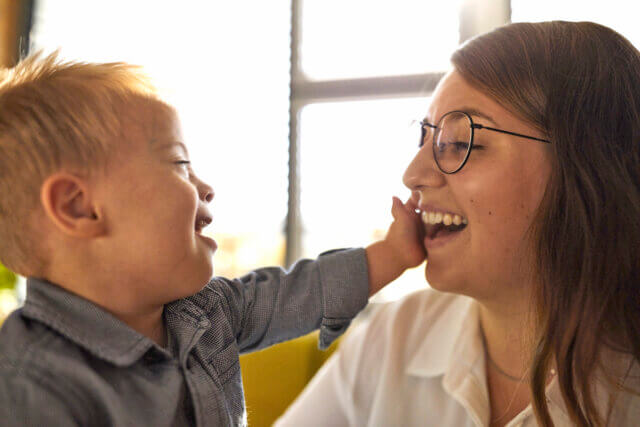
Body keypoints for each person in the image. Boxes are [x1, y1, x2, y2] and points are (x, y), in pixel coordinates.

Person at [0, 53, 426, 426]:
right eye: (179, 163)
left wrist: (391, 254)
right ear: (80, 207)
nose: (206, 187)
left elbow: (301, 292)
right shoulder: (29, 383)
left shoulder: (206, 312)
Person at [276, 20, 640, 427]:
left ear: (585, 167)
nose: (413, 174)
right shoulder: (395, 337)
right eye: (426, 140)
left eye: (461, 144)